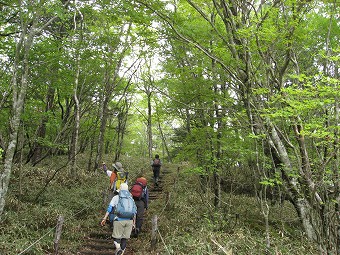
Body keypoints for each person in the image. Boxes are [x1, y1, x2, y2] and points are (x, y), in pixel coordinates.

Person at [101, 183, 137, 255]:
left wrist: (104, 218)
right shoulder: (131, 198)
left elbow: (109, 208)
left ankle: (118, 248)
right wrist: (134, 223)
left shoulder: (116, 197)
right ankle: (121, 252)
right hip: (129, 221)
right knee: (124, 239)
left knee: (115, 237)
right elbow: (134, 212)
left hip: (119, 220)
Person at [102, 161, 128, 227]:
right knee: (120, 207)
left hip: (112, 193)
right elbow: (126, 185)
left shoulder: (112, 174)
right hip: (121, 193)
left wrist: (104, 164)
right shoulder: (124, 176)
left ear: (115, 168)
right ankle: (119, 221)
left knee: (112, 206)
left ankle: (111, 222)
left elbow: (105, 170)